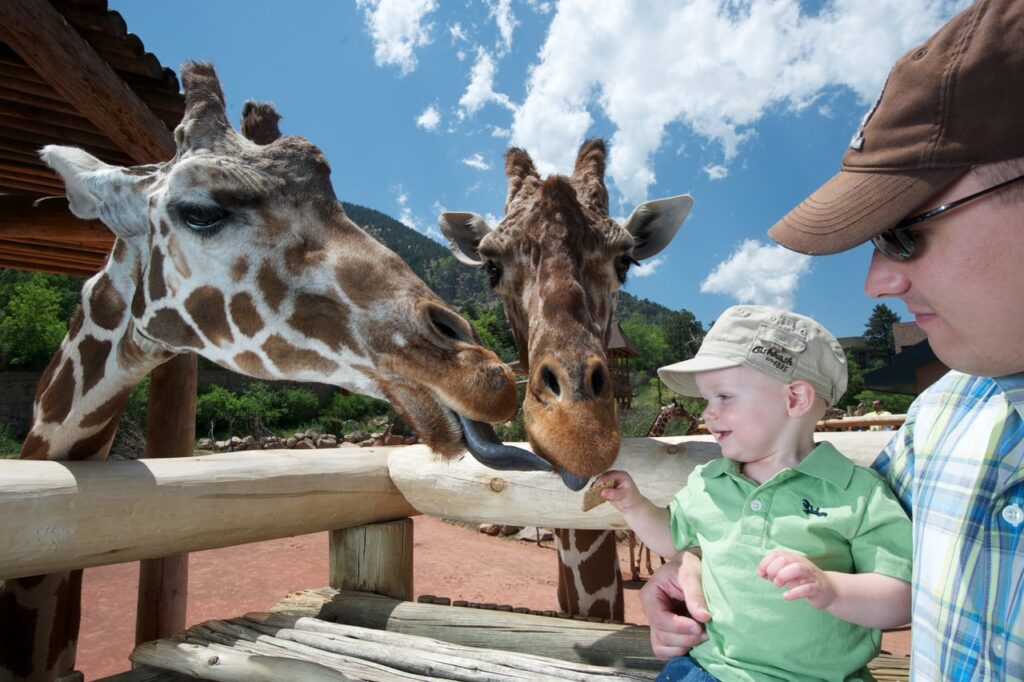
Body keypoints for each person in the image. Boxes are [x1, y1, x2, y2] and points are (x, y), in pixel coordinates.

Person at [641, 2, 1024, 679]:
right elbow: (734, 533)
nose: (876, 280)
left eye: (908, 230)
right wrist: (686, 567)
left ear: (796, 395)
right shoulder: (936, 423)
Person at [596, 305, 912, 681]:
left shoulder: (857, 493)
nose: (707, 414)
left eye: (724, 397)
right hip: (712, 668)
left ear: (795, 398)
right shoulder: (709, 481)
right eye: (706, 400)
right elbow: (671, 539)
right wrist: (635, 505)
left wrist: (831, 588)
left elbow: (901, 598)